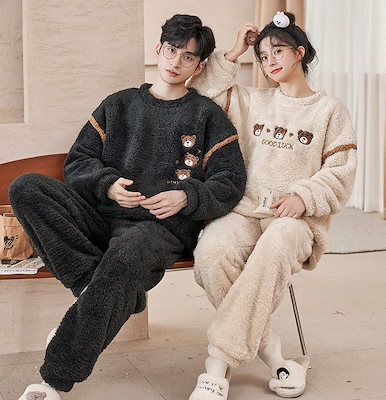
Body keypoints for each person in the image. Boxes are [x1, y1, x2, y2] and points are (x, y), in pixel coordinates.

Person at [10, 14, 246, 400]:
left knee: (124, 258)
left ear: (199, 67)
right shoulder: (118, 104)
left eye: (188, 57)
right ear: (158, 49)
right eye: (171, 50)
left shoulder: (207, 115)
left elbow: (231, 180)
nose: (176, 61)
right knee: (26, 187)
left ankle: (51, 381)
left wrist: (188, 197)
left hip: (159, 228)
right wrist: (107, 184)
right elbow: (79, 161)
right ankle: (98, 285)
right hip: (103, 216)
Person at [188, 11, 357, 400]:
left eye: (278, 51)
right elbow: (201, 94)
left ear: (299, 52)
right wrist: (234, 53)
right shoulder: (252, 101)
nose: (269, 61)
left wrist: (304, 197)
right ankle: (274, 354)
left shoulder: (330, 110)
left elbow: (341, 171)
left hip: (297, 219)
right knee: (211, 254)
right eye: (263, 56)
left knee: (276, 245)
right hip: (245, 211)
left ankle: (217, 365)